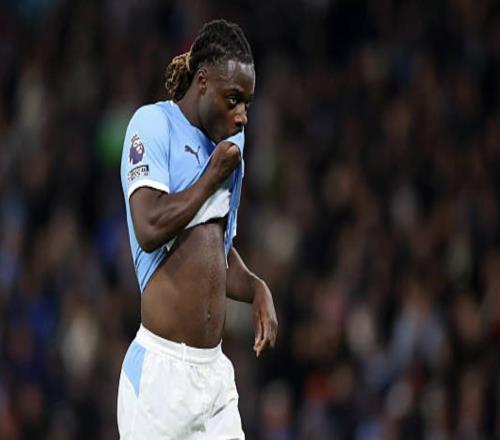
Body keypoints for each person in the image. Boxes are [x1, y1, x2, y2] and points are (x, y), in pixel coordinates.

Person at [117, 19, 278, 439]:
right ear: (202, 82)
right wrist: (211, 177)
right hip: (160, 378)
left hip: (214, 378)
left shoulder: (230, 144)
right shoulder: (152, 125)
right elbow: (149, 226)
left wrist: (257, 287)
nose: (242, 116)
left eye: (247, 103)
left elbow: (215, 251)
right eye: (233, 99)